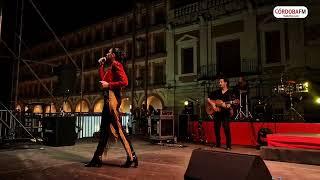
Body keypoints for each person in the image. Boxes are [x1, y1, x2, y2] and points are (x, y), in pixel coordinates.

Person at [85, 48, 138, 168]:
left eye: (108, 52)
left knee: (119, 129)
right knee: (104, 130)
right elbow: (103, 80)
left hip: (113, 100)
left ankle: (132, 156)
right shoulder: (111, 66)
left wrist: (109, 85)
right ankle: (97, 158)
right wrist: (101, 65)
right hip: (108, 99)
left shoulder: (116, 64)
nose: (106, 54)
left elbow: (125, 82)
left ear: (113, 55)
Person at [207, 77, 236, 150]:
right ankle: (218, 143)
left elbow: (231, 103)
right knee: (216, 128)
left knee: (226, 128)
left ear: (225, 83)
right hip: (217, 113)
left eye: (221, 82)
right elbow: (208, 98)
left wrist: (228, 105)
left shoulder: (230, 92)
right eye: (219, 82)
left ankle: (228, 145)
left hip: (225, 113)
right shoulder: (216, 92)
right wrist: (213, 105)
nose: (219, 83)